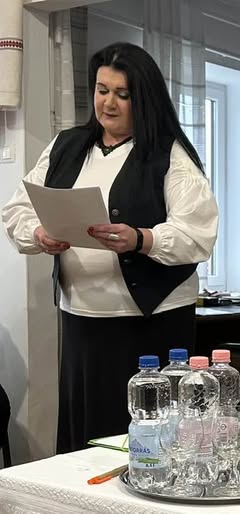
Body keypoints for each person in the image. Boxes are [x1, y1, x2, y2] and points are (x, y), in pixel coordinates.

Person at [2, 42, 218, 453]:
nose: (109, 103)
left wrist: (141, 238)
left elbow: (198, 233)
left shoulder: (168, 154)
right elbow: (17, 209)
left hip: (150, 325)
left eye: (122, 94)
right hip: (82, 323)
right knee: (84, 441)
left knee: (144, 442)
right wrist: (39, 234)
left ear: (144, 98)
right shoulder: (66, 147)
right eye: (102, 90)